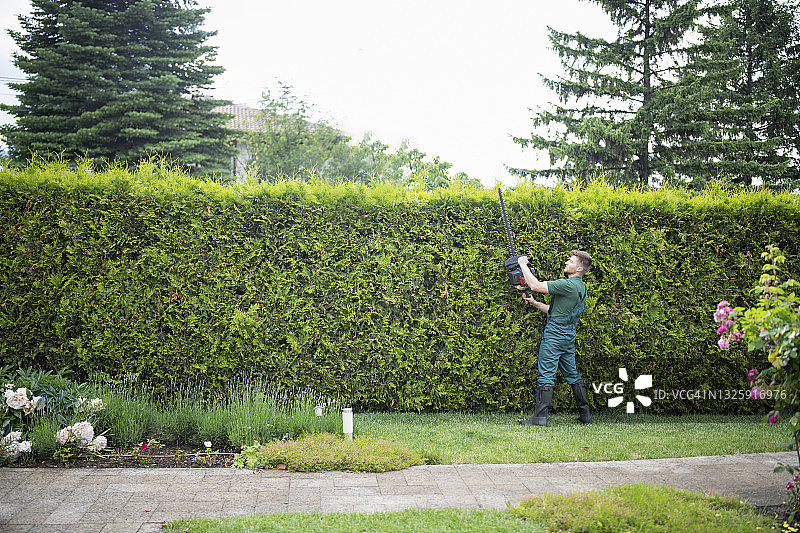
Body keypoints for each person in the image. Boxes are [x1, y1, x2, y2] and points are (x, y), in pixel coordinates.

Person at [517, 250, 593, 426]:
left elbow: (535, 285)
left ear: (579, 268)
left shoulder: (566, 285)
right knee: (573, 374)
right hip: (568, 336)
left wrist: (522, 264)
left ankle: (539, 418)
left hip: (554, 335)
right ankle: (585, 416)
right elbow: (557, 311)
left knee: (546, 375)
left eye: (571, 261)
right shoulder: (581, 287)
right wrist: (536, 304)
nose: (567, 263)